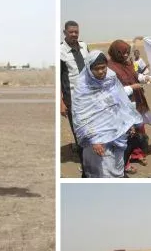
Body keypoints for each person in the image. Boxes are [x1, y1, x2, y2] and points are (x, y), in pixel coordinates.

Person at [71, 51, 143, 178]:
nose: (101, 72)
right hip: (98, 139)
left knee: (117, 167)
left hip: (117, 133)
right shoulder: (82, 88)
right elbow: (81, 117)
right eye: (96, 69)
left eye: (103, 67)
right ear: (89, 69)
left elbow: (121, 102)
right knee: (102, 172)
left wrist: (128, 123)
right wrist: (94, 140)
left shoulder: (111, 79)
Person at [107, 40, 151, 172]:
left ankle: (137, 154)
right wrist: (132, 87)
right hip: (122, 106)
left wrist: (145, 78)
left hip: (137, 103)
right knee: (127, 134)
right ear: (116, 53)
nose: (126, 55)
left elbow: (135, 75)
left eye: (128, 52)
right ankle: (125, 163)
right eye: (123, 53)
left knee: (139, 130)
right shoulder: (110, 68)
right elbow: (113, 91)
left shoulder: (127, 64)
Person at [60, 21, 90, 164]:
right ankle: (85, 162)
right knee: (79, 130)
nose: (74, 34)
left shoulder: (84, 46)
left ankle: (93, 156)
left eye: (76, 32)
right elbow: (58, 79)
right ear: (64, 33)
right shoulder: (60, 52)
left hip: (90, 95)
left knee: (93, 125)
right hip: (73, 98)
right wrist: (61, 103)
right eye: (71, 32)